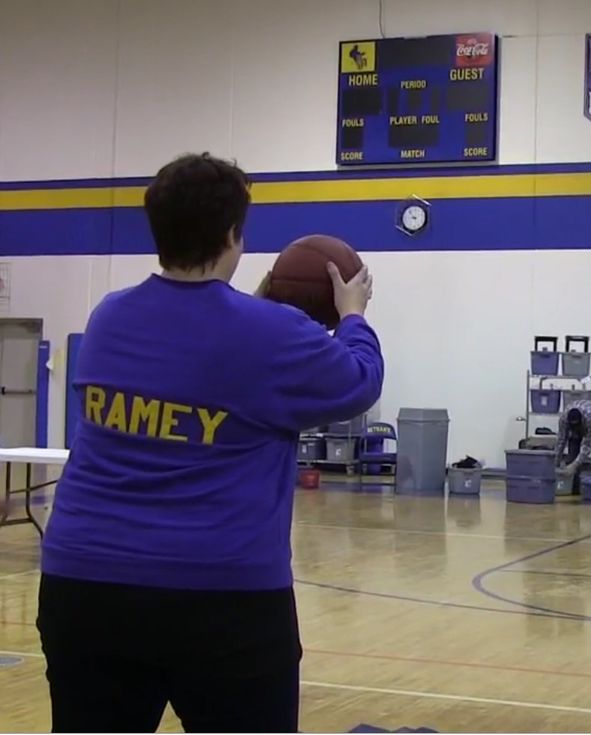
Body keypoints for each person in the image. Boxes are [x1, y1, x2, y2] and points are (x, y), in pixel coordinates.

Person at [36, 153, 384, 733]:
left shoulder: (107, 318)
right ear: (232, 235)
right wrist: (353, 316)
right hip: (221, 597)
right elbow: (360, 380)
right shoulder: (273, 333)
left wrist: (259, 308)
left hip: (85, 585)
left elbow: (199, 349)